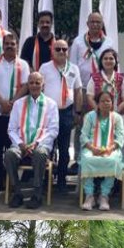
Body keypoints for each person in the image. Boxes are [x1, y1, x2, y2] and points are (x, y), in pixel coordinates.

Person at [0, 30, 29, 193]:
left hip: (16, 114)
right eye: (7, 44)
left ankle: (12, 181)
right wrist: (3, 103)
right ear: (3, 46)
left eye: (13, 44)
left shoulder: (23, 65)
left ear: (17, 46)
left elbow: (25, 86)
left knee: (12, 150)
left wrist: (12, 103)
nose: (10, 46)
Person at [6, 72, 58, 208]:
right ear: (27, 85)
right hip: (21, 145)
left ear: (43, 85)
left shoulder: (51, 104)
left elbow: (53, 130)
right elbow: (11, 129)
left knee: (40, 154)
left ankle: (37, 194)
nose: (34, 85)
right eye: (31, 82)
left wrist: (37, 143)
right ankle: (17, 193)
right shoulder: (18, 104)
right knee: (10, 154)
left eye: (37, 82)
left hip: (41, 144)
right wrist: (21, 144)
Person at [39, 39, 83, 192]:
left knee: (64, 149)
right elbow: (39, 89)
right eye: (58, 49)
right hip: (48, 112)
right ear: (52, 50)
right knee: (47, 146)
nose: (61, 52)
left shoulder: (74, 69)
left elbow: (78, 91)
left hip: (66, 112)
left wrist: (78, 112)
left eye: (64, 49)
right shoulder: (45, 68)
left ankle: (62, 181)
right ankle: (46, 180)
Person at [80, 86, 124, 211]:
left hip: (110, 149)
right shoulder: (90, 116)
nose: (106, 103)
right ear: (98, 103)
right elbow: (83, 136)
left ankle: (104, 196)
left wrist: (111, 148)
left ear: (112, 103)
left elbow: (120, 137)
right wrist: (92, 148)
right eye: (102, 101)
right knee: (87, 159)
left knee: (113, 160)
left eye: (108, 101)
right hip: (92, 148)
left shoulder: (117, 117)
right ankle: (89, 196)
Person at [69, 12, 114, 84]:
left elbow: (114, 65)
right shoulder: (77, 41)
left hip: (103, 87)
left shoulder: (109, 43)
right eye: (92, 22)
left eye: (98, 22)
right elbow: (72, 65)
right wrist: (72, 85)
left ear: (102, 24)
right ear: (87, 24)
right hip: (82, 87)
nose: (95, 24)